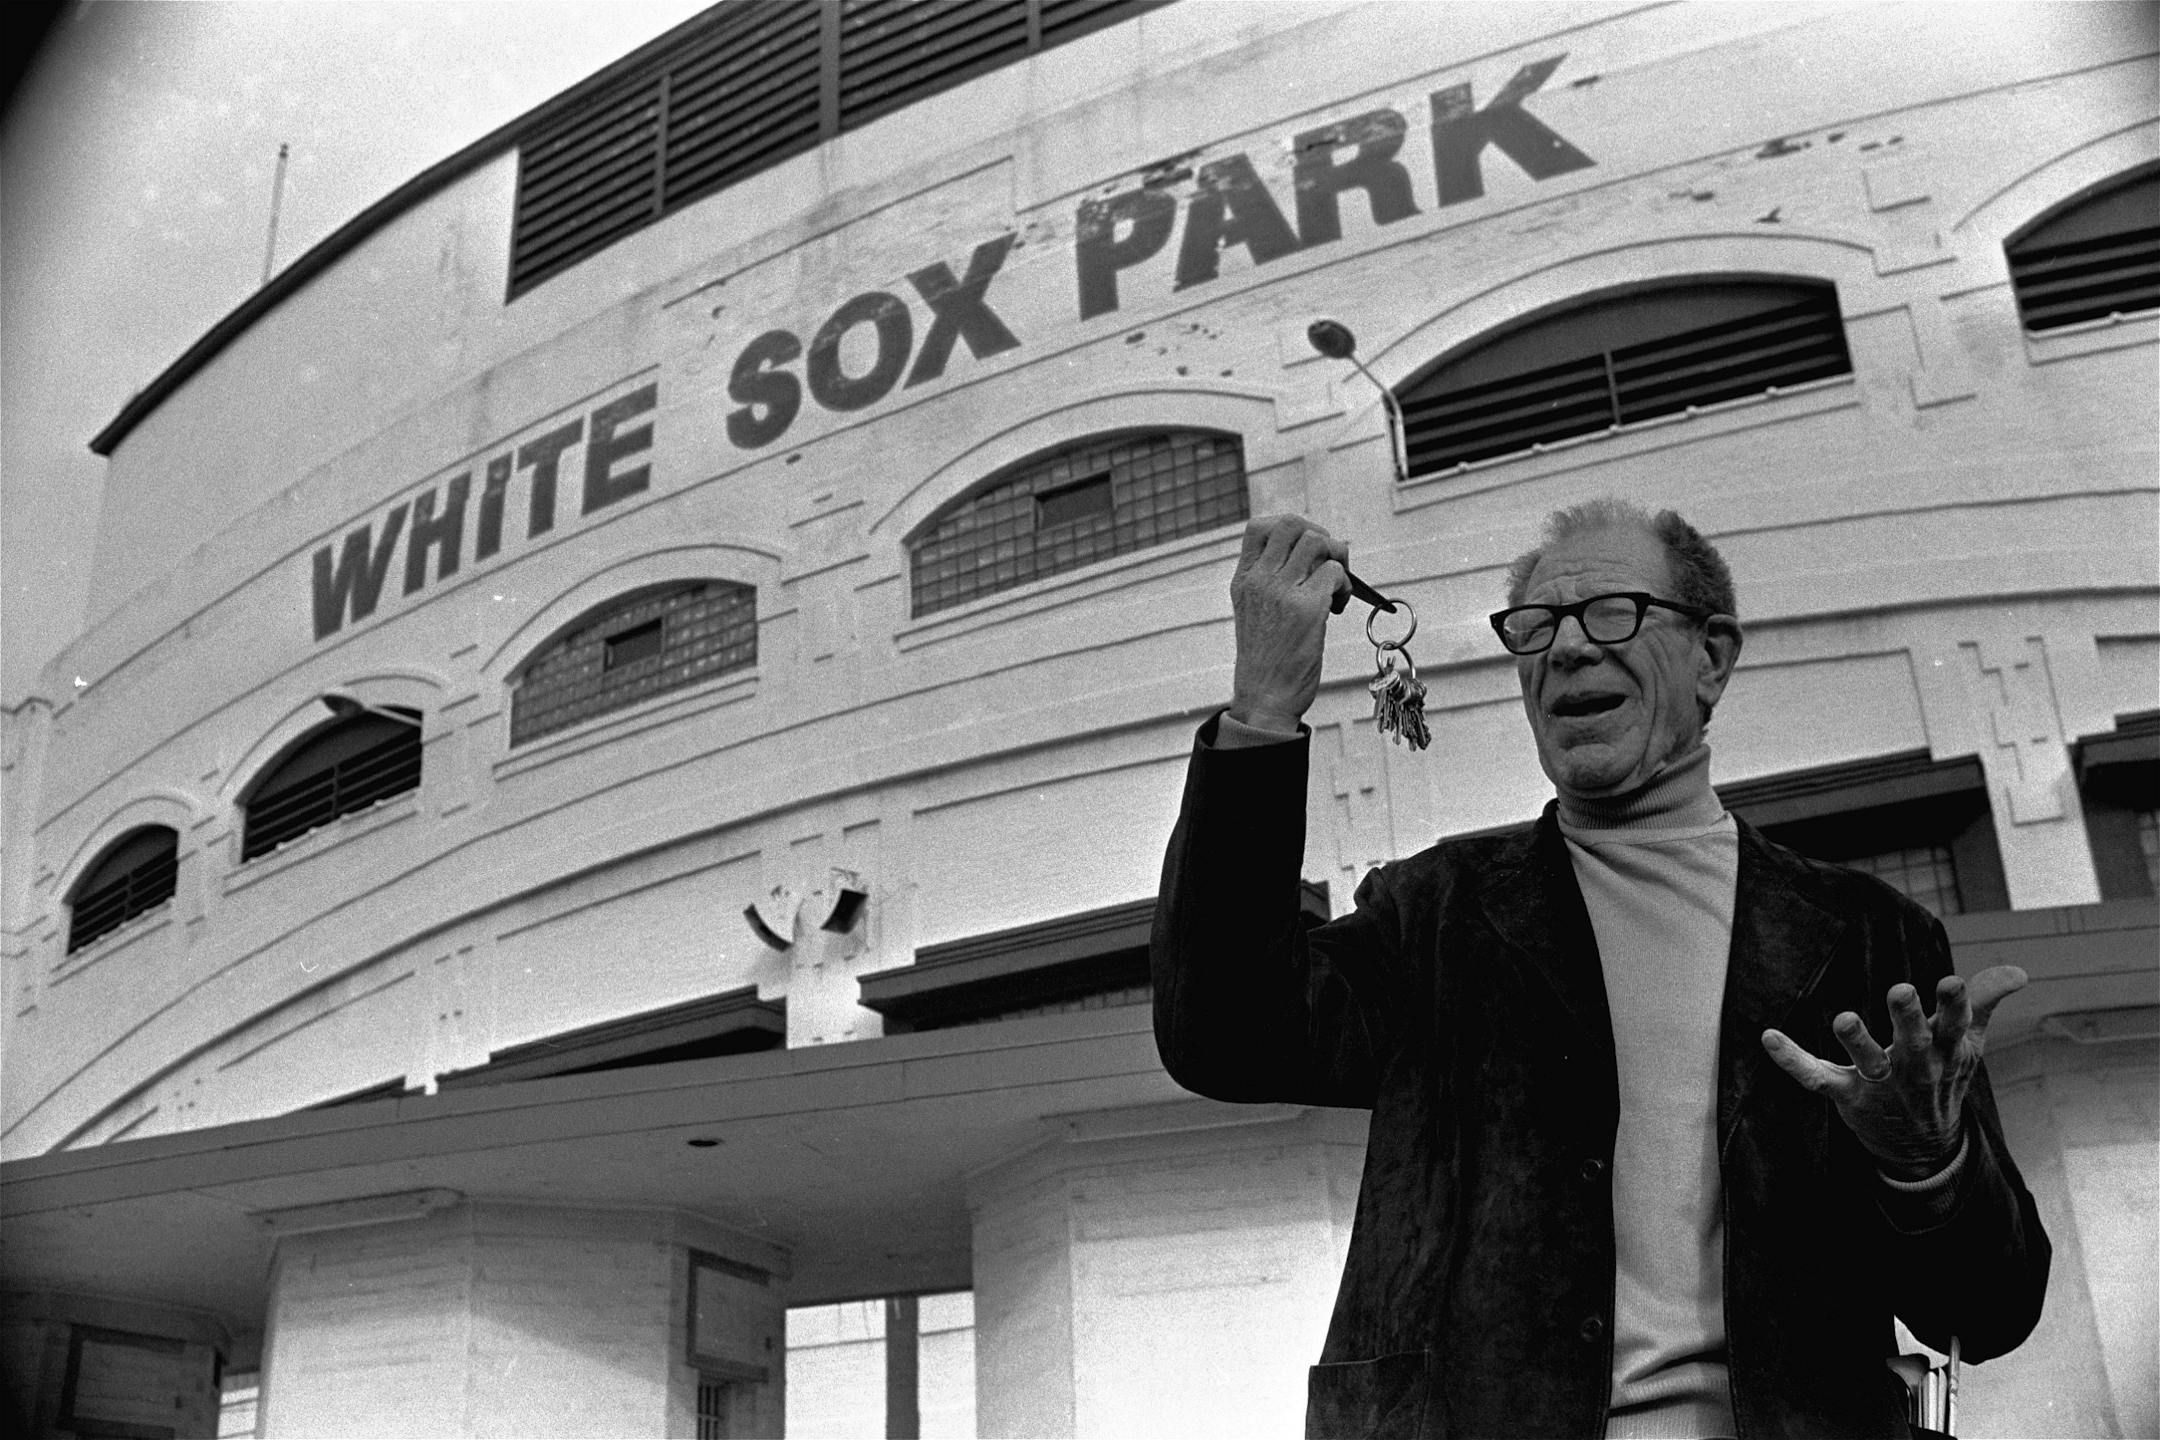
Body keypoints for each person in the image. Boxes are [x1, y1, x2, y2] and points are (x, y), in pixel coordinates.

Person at [1150, 501, 2050, 1439]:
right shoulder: (1440, 913)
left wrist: (1927, 1165)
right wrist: (1261, 709)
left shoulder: (1872, 941)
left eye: (1611, 611)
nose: (1567, 650)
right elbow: (1221, 1031)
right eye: (1536, 628)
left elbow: (1991, 1313)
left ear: (1713, 658)